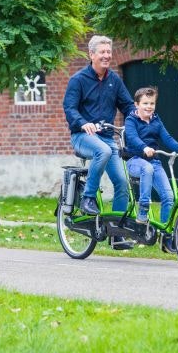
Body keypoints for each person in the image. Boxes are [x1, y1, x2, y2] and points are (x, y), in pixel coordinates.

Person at [63, 35, 135, 250]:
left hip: (106, 138)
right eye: (102, 52)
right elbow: (69, 108)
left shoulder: (114, 80)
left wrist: (139, 118)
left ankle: (117, 234)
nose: (106, 55)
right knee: (102, 151)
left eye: (108, 52)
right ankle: (88, 198)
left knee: (122, 183)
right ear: (91, 54)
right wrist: (83, 123)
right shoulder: (78, 80)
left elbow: (128, 105)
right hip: (82, 137)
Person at [124, 87, 178, 252]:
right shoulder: (131, 120)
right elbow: (131, 138)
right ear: (137, 104)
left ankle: (165, 237)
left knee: (168, 197)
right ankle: (143, 209)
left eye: (152, 103)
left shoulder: (156, 119)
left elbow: (166, 137)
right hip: (135, 160)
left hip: (154, 162)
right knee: (146, 167)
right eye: (145, 103)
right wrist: (144, 147)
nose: (149, 106)